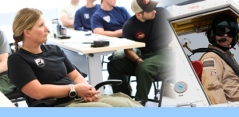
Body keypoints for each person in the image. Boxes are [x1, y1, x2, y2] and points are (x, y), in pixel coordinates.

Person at [8, 8, 142, 107]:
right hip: (56, 105)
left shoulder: (54, 49)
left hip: (77, 98)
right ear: (27, 32)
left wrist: (88, 91)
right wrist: (75, 89)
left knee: (129, 104)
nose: (47, 29)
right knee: (105, 109)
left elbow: (75, 76)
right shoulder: (17, 59)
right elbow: (38, 92)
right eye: (41, 25)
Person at [112, 0, 173, 105]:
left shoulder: (162, 13)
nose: (154, 11)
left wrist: (174, 42)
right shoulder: (129, 25)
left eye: (153, 8)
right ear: (139, 14)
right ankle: (124, 100)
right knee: (114, 64)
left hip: (165, 54)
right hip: (144, 55)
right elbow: (128, 50)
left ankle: (139, 103)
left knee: (144, 67)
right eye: (150, 10)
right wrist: (137, 59)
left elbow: (178, 28)